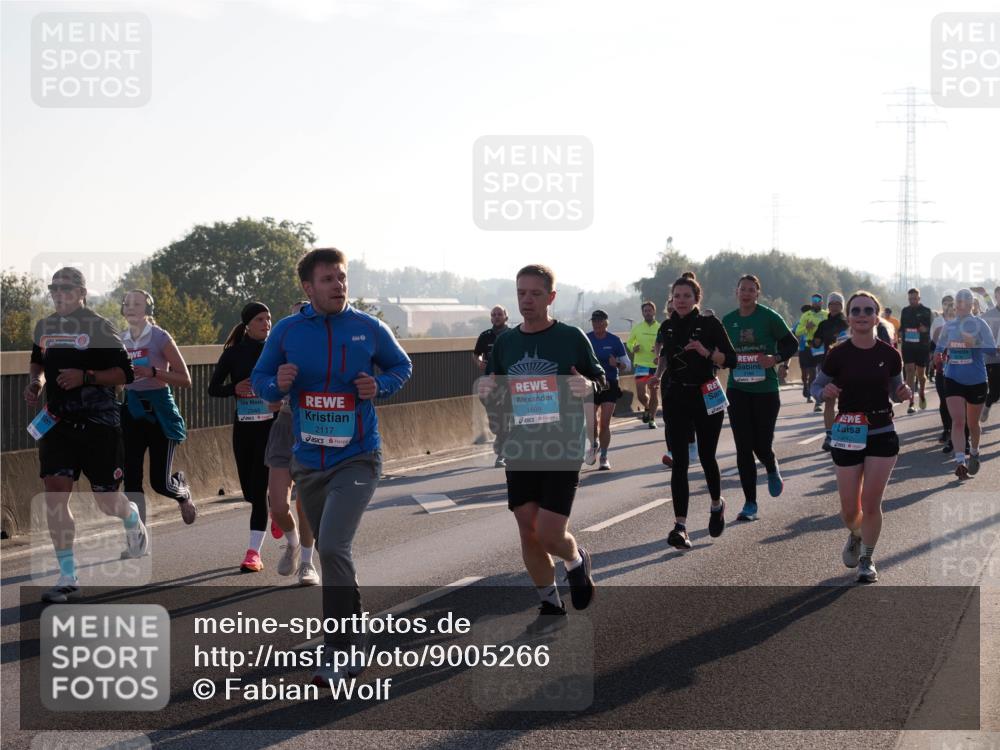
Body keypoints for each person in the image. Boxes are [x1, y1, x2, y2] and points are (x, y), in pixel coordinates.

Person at [252, 247, 412, 687]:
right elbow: (260, 380)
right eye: (328, 279)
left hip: (358, 455)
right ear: (308, 287)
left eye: (342, 277)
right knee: (333, 552)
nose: (339, 285)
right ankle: (356, 640)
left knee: (335, 548)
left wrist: (379, 385)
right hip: (308, 460)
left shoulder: (368, 327)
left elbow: (402, 366)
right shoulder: (286, 331)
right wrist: (276, 384)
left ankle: (336, 651)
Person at [477, 264, 604, 635]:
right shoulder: (505, 343)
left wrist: (589, 386)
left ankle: (575, 560)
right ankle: (549, 602)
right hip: (520, 447)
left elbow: (600, 378)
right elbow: (495, 389)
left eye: (535, 293)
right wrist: (487, 393)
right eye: (521, 293)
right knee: (527, 529)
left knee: (549, 533)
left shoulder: (570, 337)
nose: (527, 300)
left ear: (551, 297)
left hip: (561, 446)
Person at [25, 268, 147, 603]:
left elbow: (126, 373)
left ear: (82, 293)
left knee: (106, 502)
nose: (59, 294)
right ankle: (68, 576)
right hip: (57, 424)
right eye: (54, 288)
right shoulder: (45, 326)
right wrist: (36, 381)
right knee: (55, 495)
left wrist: (86, 377)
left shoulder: (99, 326)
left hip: (99, 426)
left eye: (66, 288)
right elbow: (37, 361)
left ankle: (130, 517)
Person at [810, 291, 910, 583]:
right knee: (849, 509)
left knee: (871, 502)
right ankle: (856, 533)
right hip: (848, 434)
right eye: (856, 311)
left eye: (868, 310)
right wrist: (824, 392)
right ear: (849, 317)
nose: (862, 315)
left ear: (877, 317)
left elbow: (896, 391)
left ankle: (867, 558)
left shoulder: (889, 354)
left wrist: (903, 393)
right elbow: (816, 386)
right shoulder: (838, 354)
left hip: (882, 432)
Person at [649, 272, 737, 549]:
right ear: (671, 300)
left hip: (706, 395)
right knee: (680, 462)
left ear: (697, 298)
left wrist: (705, 352)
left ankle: (716, 505)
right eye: (677, 296)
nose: (681, 300)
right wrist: (657, 375)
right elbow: (665, 356)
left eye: (687, 296)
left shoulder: (710, 324)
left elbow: (731, 359)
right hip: (676, 396)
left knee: (707, 457)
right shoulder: (667, 326)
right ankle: (680, 527)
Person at [722, 275, 799, 521]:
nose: (746, 293)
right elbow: (721, 353)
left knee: (761, 445)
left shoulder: (769, 317)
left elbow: (792, 344)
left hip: (766, 391)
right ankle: (750, 504)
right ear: (736, 292)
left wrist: (774, 358)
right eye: (742, 289)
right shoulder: (728, 321)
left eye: (751, 290)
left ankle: (771, 464)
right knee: (743, 447)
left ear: (757, 293)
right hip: (737, 389)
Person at [209, 301, 277, 572]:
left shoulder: (276, 351)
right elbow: (213, 388)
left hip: (271, 427)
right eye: (260, 319)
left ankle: (253, 554)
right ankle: (276, 509)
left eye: (268, 318)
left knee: (258, 492)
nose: (266, 324)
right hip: (244, 426)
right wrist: (234, 388)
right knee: (250, 492)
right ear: (248, 324)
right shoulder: (234, 354)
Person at [119, 290, 196, 527]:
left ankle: (182, 492)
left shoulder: (160, 337)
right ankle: (137, 535)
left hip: (159, 412)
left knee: (160, 483)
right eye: (127, 304)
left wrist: (153, 372)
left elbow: (185, 379)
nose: (131, 308)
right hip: (132, 411)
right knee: (131, 480)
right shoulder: (120, 340)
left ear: (148, 309)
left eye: (137, 304)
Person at [264, 301, 320, 586]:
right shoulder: (280, 353)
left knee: (306, 503)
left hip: (313, 427)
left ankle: (307, 563)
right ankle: (293, 542)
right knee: (277, 506)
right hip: (285, 427)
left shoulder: (324, 353)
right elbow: (268, 392)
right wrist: (272, 394)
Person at [934, 288, 998, 479]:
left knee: (972, 423)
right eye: (958, 302)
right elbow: (939, 347)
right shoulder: (950, 326)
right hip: (953, 377)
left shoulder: (980, 324)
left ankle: (975, 452)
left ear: (971, 305)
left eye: (965, 302)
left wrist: (975, 342)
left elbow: (992, 350)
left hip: (976, 380)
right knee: (958, 421)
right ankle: (960, 461)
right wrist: (937, 355)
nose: (961, 305)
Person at [586, 309, 630, 470]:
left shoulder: (614, 340)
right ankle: (594, 443)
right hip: (591, 383)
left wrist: (616, 364)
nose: (597, 324)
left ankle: (604, 456)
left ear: (606, 323)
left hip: (610, 383)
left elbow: (628, 366)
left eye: (600, 321)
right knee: (591, 422)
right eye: (594, 321)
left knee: (604, 423)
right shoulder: (586, 339)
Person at [475, 305, 511, 467]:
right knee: (494, 416)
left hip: (508, 381)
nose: (496, 317)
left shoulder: (512, 335)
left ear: (506, 317)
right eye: (493, 314)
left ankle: (502, 454)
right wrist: (479, 362)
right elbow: (476, 354)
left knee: (505, 415)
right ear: (491, 318)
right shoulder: (485, 336)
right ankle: (499, 434)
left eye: (499, 314)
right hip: (489, 381)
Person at [812, 293, 848, 447]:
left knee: (847, 402)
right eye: (832, 303)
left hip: (846, 366)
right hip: (828, 366)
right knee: (829, 400)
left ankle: (846, 434)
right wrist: (814, 340)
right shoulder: (823, 324)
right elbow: (816, 342)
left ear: (842, 306)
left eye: (837, 304)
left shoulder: (847, 323)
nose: (834, 306)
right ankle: (829, 436)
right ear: (828, 306)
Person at [898, 288, 933, 414]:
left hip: (922, 346)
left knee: (921, 375)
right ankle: (911, 402)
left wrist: (925, 329)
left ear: (919, 298)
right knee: (909, 372)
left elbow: (930, 329)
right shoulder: (905, 311)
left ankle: (922, 392)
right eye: (910, 299)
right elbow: (901, 327)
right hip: (908, 346)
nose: (912, 301)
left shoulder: (926, 311)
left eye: (914, 298)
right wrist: (900, 335)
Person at [626, 301, 660, 428]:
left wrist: (659, 350)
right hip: (641, 365)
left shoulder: (660, 327)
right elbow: (629, 343)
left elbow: (666, 344)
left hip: (655, 365)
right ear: (642, 313)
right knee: (641, 394)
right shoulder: (637, 328)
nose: (647, 313)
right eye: (645, 311)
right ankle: (647, 407)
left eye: (649, 310)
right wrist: (633, 348)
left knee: (654, 392)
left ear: (654, 311)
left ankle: (652, 419)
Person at [795, 295, 827, 403]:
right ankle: (810, 393)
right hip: (808, 347)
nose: (816, 302)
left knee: (822, 372)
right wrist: (806, 327)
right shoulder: (805, 316)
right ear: (811, 302)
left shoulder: (826, 314)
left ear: (821, 302)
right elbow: (797, 332)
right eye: (814, 300)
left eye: (818, 300)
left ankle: (819, 395)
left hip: (822, 347)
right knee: (810, 373)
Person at [978, 285, 1000, 423]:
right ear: (996, 297)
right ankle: (986, 406)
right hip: (993, 358)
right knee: (995, 392)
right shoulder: (988, 315)